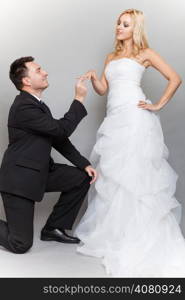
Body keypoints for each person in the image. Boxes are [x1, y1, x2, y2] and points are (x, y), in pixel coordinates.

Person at [75, 8, 185, 277]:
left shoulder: (144, 53)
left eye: (125, 24)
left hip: (136, 118)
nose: (119, 27)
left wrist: (157, 104)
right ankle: (117, 233)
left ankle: (140, 235)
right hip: (114, 119)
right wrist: (93, 79)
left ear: (134, 28)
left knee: (136, 175)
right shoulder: (110, 56)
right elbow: (105, 89)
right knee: (114, 176)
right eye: (118, 22)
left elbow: (175, 78)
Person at [0, 56, 97, 254]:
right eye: (38, 70)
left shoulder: (37, 105)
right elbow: (61, 130)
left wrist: (83, 164)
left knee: (81, 177)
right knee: (20, 244)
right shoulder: (24, 107)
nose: (45, 73)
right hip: (19, 181)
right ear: (26, 81)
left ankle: (53, 228)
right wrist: (78, 99)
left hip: (39, 172)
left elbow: (56, 137)